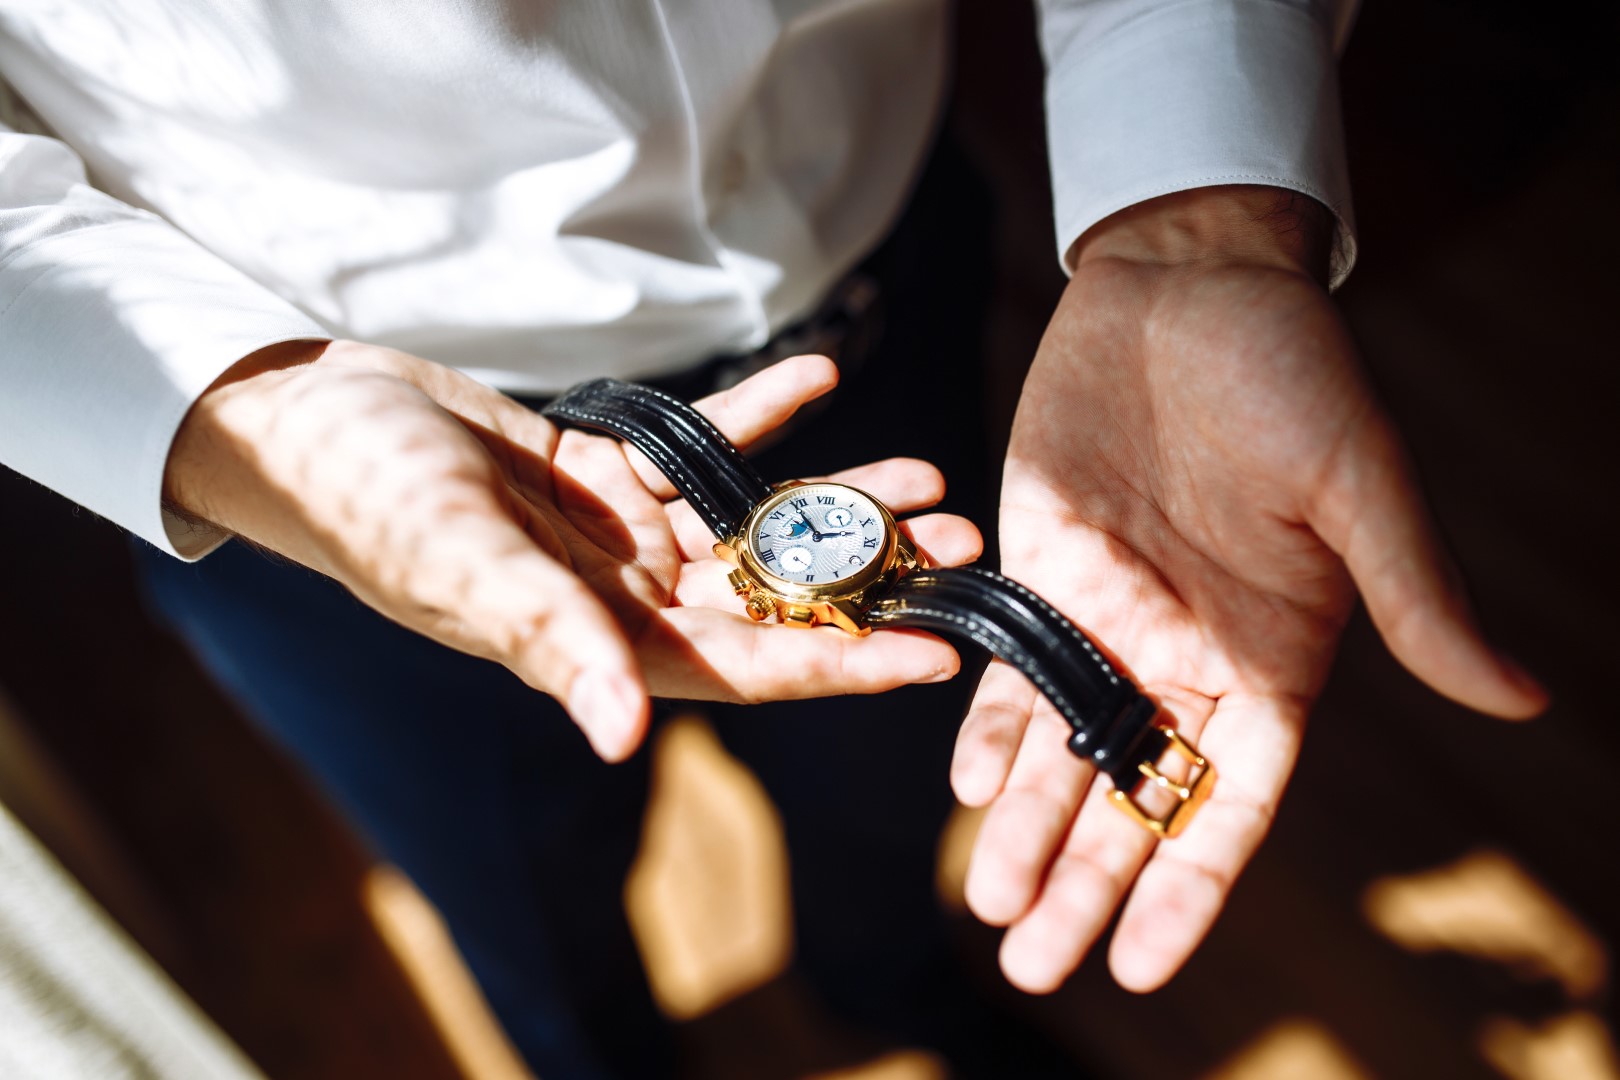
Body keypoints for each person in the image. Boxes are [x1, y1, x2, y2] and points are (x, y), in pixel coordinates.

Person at [0, 2, 1547, 1076]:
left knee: (893, 782)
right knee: (522, 900)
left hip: (887, 317)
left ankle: (886, 981)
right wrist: (246, 413)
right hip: (314, 470)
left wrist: (1194, 221)